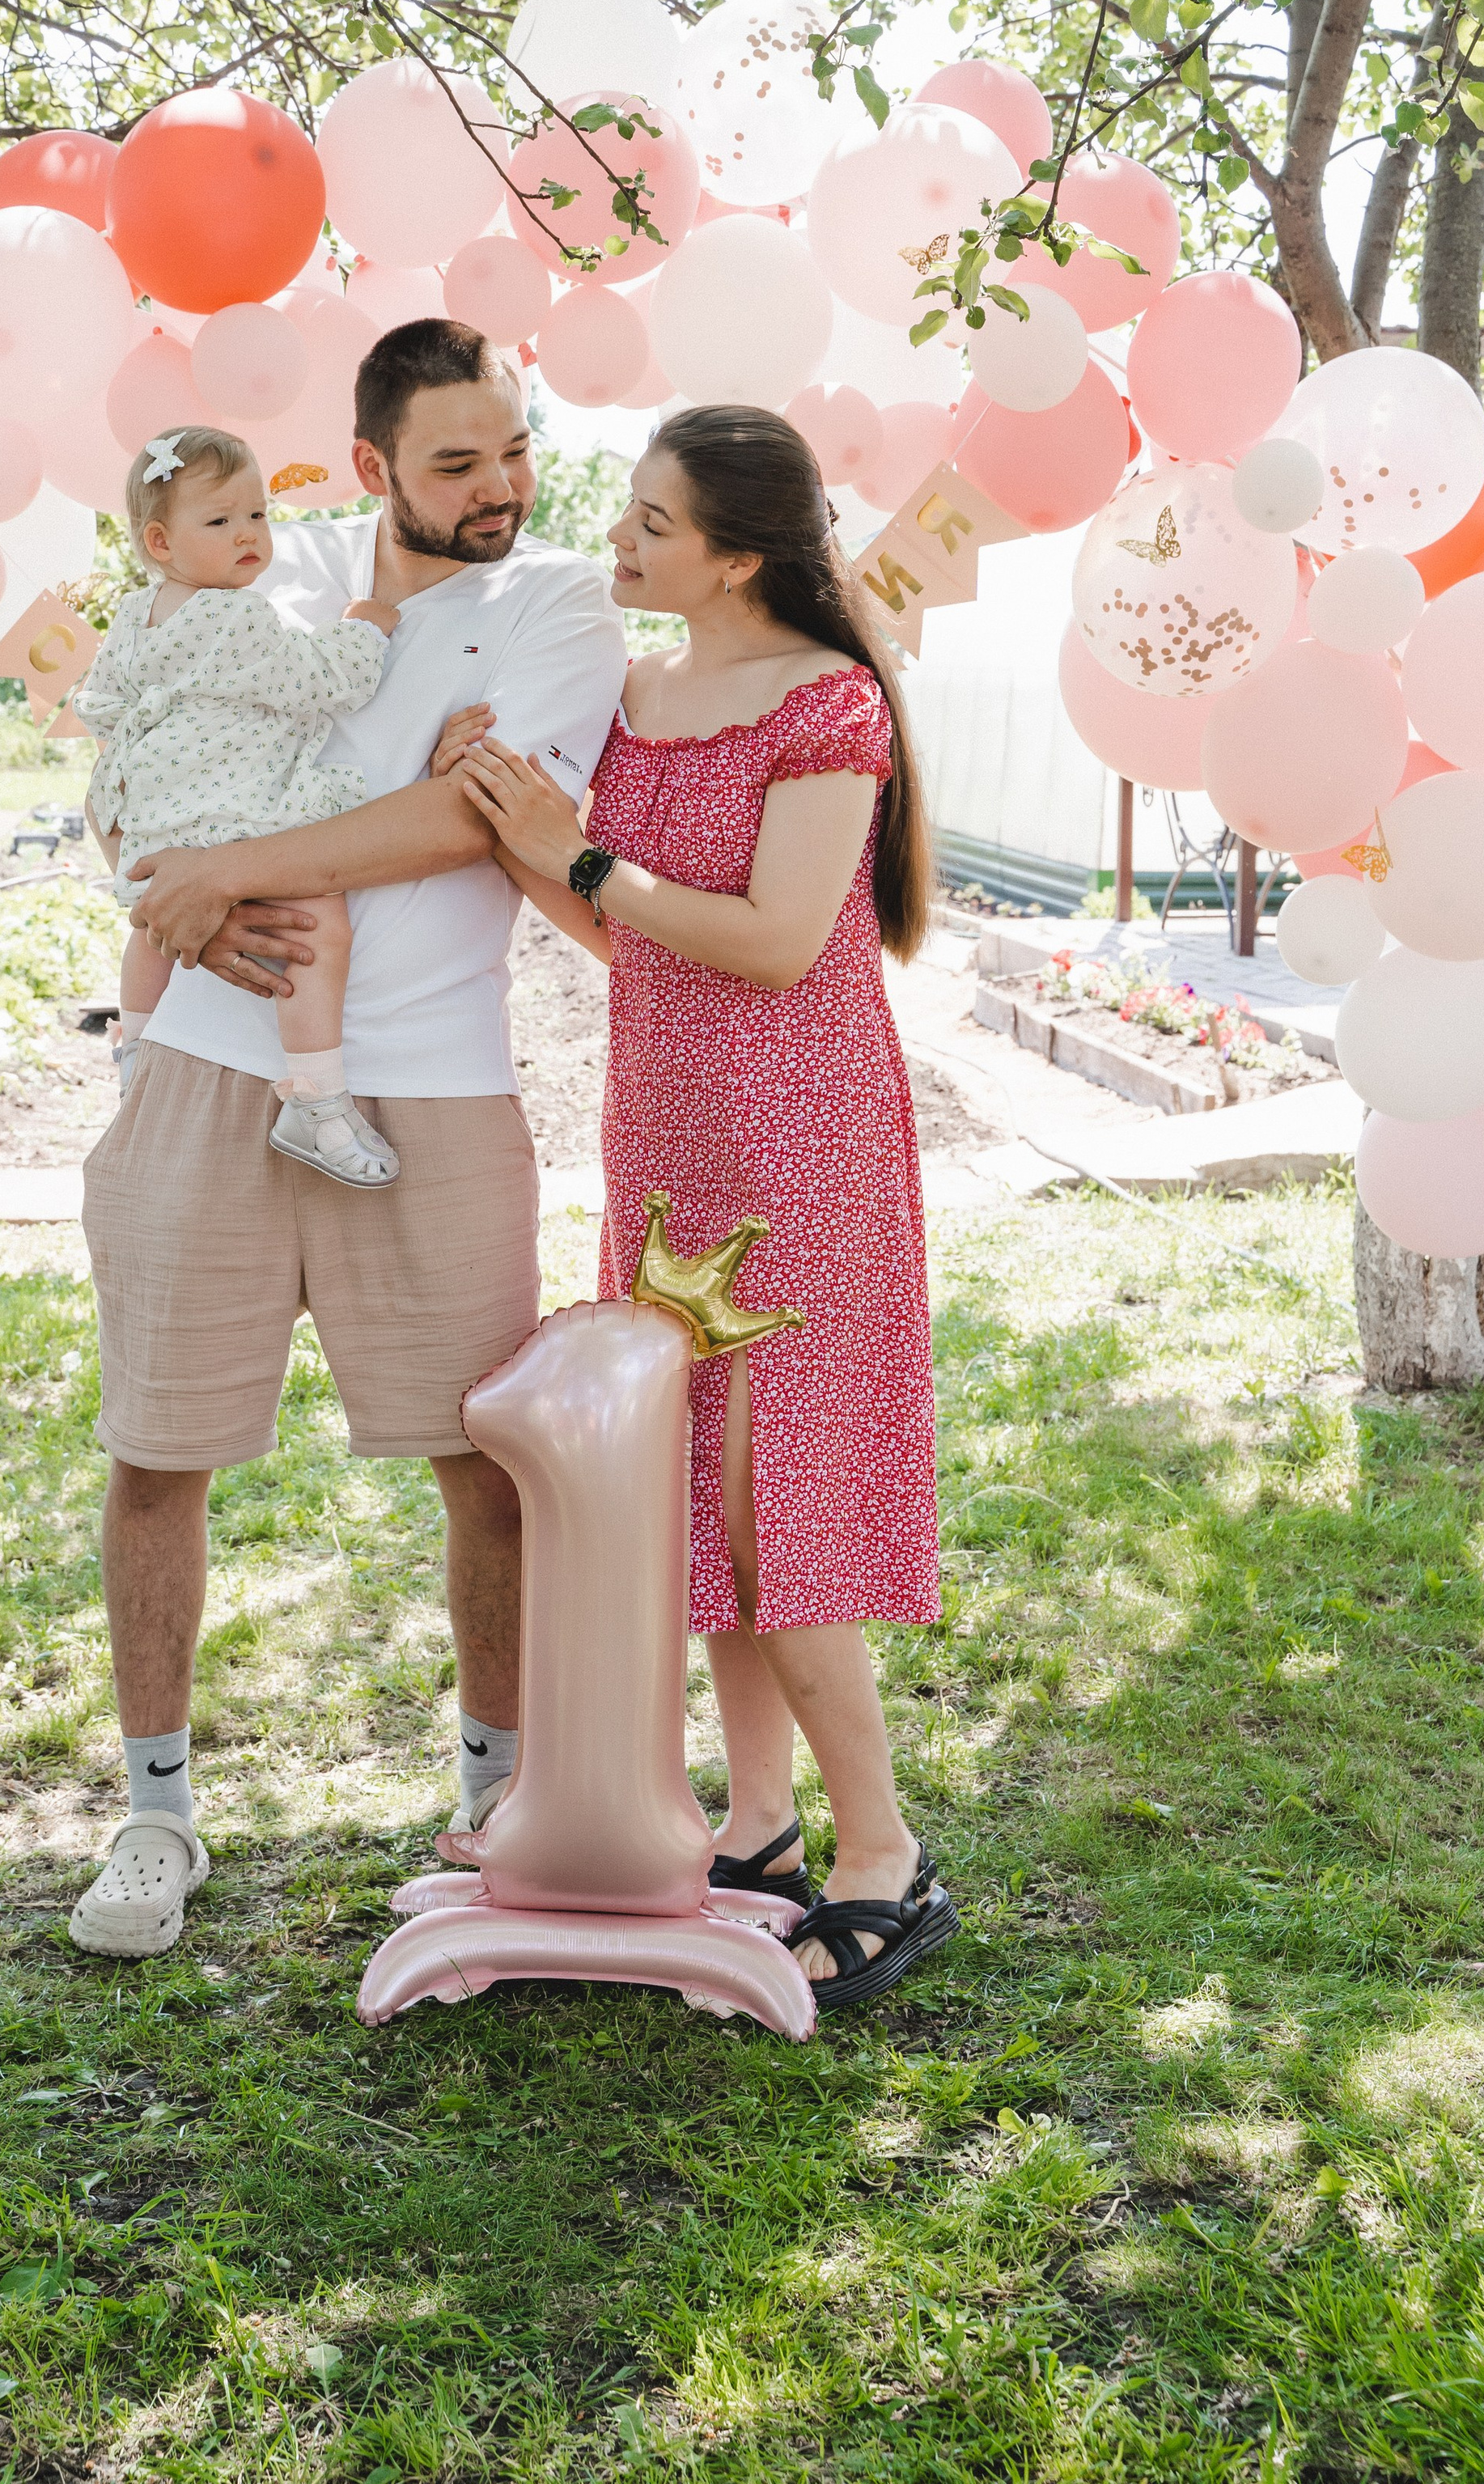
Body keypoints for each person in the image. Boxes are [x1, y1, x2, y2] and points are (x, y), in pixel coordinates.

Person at [68, 315, 629, 1961]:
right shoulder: (271, 560)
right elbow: (132, 751)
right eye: (457, 462)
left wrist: (231, 869)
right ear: (374, 465)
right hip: (203, 1065)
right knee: (155, 1450)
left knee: (485, 1462)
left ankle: (497, 1802)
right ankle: (154, 1813)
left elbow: (471, 815)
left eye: (515, 450)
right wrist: (156, 868)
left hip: (433, 1085)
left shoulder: (555, 604)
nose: (502, 488)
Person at [456, 401, 958, 2016]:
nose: (616, 540)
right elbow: (639, 946)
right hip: (667, 1144)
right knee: (691, 1502)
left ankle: (882, 1856)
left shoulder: (826, 702)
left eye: (651, 524)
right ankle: (756, 1828)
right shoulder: (640, 691)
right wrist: (515, 831)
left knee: (773, 1515)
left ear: (737, 553)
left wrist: (580, 860)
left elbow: (772, 936)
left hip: (799, 1154)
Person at [74, 421, 406, 1189]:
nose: (248, 536)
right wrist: (364, 629)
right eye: (220, 521)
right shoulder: (237, 616)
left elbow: (103, 705)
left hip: (153, 806)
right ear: (160, 542)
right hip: (234, 802)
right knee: (315, 922)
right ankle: (317, 1099)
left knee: (152, 931)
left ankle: (136, 1057)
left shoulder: (134, 615)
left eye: (257, 514)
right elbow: (318, 681)